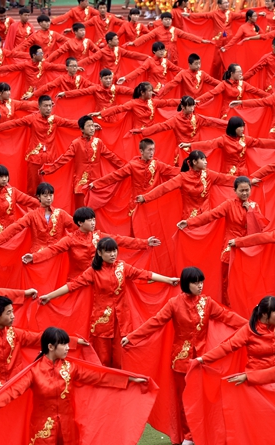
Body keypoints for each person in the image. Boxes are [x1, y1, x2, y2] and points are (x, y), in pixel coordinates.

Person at [122, 266, 246, 444]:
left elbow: (228, 317)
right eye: (195, 282)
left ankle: (202, 433)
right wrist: (132, 337)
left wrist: (252, 326)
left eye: (201, 281)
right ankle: (188, 436)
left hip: (204, 360)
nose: (200, 285)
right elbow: (155, 322)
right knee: (185, 400)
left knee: (202, 399)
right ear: (187, 284)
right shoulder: (174, 304)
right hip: (181, 360)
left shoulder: (208, 303)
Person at [0, 327, 149, 444]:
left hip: (68, 428)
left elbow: (99, 376)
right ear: (50, 347)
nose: (67, 348)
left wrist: (129, 379)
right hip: (43, 430)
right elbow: (14, 390)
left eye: (67, 344)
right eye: (64, 344)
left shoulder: (71, 368)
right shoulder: (34, 372)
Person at [39, 237, 179, 367]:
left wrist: (168, 280)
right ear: (99, 253)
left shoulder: (122, 267)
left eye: (114, 251)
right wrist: (50, 296)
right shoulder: (93, 271)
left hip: (122, 321)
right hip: (101, 322)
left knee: (121, 358)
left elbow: (144, 274)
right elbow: (72, 286)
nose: (113, 254)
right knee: (102, 359)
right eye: (108, 251)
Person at [24, 206, 159, 275]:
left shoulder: (98, 236)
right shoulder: (70, 239)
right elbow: (53, 249)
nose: (93, 223)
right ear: (80, 223)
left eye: (94, 219)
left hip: (98, 277)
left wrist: (145, 242)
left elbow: (120, 240)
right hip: (78, 280)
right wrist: (34, 257)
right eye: (90, 220)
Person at [0, 95, 79, 193]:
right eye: (45, 106)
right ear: (39, 107)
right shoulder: (32, 118)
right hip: (34, 158)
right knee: (33, 188)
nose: (48, 108)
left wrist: (87, 122)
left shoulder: (55, 119)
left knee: (49, 188)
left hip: (51, 160)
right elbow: (15, 123)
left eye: (50, 106)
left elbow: (71, 123)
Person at [198, 295, 275, 370]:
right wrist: (203, 359)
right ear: (264, 314)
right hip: (255, 379)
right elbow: (227, 347)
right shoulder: (249, 330)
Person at [41, 115, 123, 209]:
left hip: (96, 184)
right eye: (89, 126)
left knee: (94, 212)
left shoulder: (98, 142)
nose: (92, 128)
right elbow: (64, 159)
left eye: (92, 125)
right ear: (82, 129)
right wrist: (48, 170)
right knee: (81, 211)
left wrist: (124, 167)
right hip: (80, 185)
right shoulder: (76, 143)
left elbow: (111, 156)